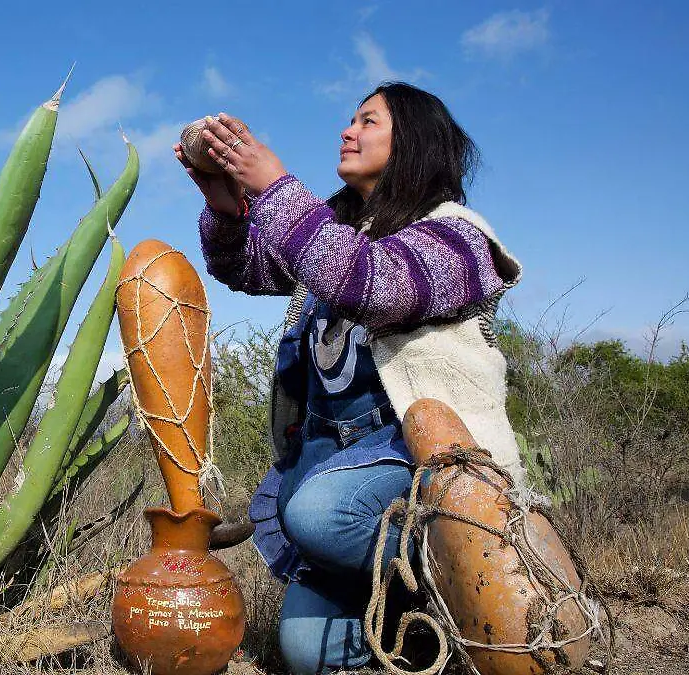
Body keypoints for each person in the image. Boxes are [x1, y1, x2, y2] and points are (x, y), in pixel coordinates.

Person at [173, 82, 528, 674]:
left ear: (413, 142)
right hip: (331, 464)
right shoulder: (342, 234)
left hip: (421, 462)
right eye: (351, 119)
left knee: (316, 514)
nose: (347, 130)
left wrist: (276, 188)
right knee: (307, 654)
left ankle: (478, 567)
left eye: (369, 122)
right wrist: (228, 204)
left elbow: (375, 285)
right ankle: (414, 623)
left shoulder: (458, 237)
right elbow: (245, 269)